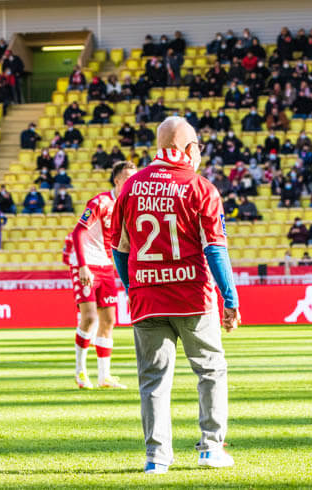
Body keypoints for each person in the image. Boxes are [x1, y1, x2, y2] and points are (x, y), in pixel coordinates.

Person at [111, 116, 239, 473]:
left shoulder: (130, 187)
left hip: (147, 298)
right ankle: (211, 448)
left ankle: (156, 457)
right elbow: (215, 249)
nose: (198, 152)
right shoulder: (200, 188)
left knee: (152, 379)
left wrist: (133, 288)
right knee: (211, 370)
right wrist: (230, 298)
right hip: (192, 296)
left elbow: (119, 250)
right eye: (197, 145)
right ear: (186, 147)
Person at [64, 160, 137, 390]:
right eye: (128, 178)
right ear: (117, 180)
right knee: (89, 318)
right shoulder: (100, 202)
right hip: (86, 263)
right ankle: (80, 372)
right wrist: (82, 266)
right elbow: (78, 232)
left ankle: (104, 376)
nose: (132, 182)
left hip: (106, 265)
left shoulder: (130, 206)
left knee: (109, 320)